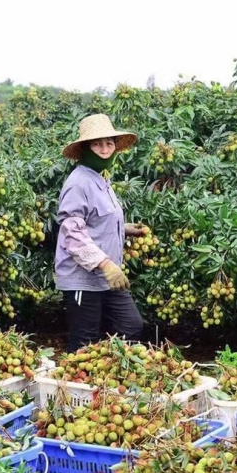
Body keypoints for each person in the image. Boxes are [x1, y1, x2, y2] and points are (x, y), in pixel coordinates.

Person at [55, 113, 147, 351]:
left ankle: (107, 377)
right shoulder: (78, 183)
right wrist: (106, 266)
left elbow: (93, 221)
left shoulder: (101, 179)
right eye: (97, 143)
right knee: (84, 342)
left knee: (131, 326)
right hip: (83, 280)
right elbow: (72, 234)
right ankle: (74, 388)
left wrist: (124, 229)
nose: (104, 148)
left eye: (109, 142)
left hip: (108, 278)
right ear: (86, 148)